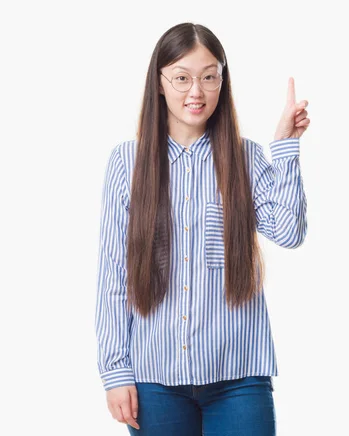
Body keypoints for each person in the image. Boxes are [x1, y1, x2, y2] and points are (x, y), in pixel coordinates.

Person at [94, 22, 310, 435]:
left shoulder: (245, 157)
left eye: (209, 77)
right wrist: (116, 371)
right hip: (155, 378)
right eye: (182, 78)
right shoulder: (128, 163)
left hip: (240, 376)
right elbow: (113, 275)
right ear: (159, 83)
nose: (196, 91)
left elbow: (288, 230)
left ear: (222, 82)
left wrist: (284, 144)